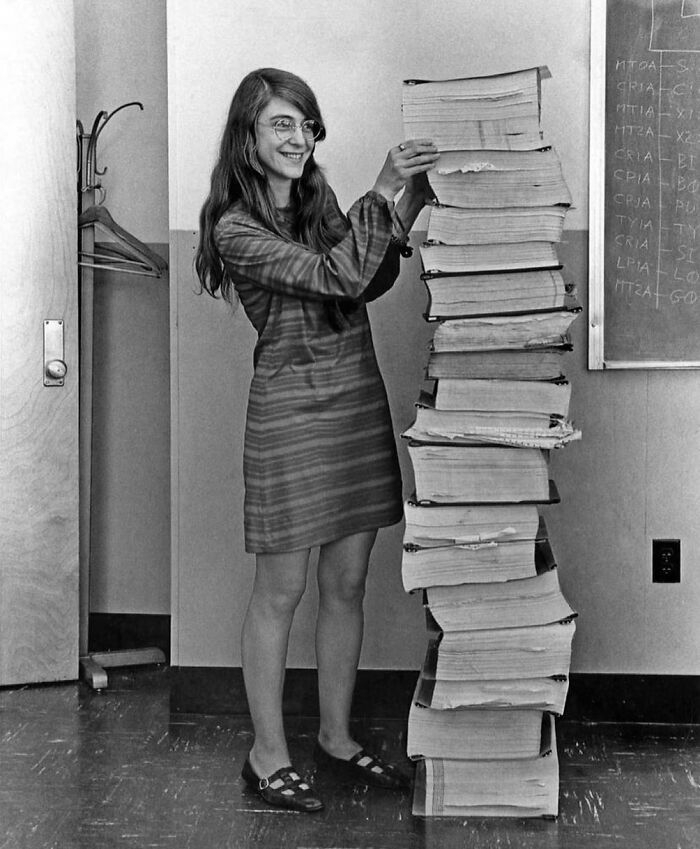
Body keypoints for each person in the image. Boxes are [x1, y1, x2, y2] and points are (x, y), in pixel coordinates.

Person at [195, 67, 438, 813]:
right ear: (249, 134)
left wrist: (410, 203)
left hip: (352, 398)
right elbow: (334, 274)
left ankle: (334, 734)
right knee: (282, 590)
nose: (299, 138)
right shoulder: (236, 227)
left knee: (345, 583)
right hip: (291, 412)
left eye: (305, 124)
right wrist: (383, 187)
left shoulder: (316, 198)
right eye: (281, 124)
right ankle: (266, 755)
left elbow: (363, 279)